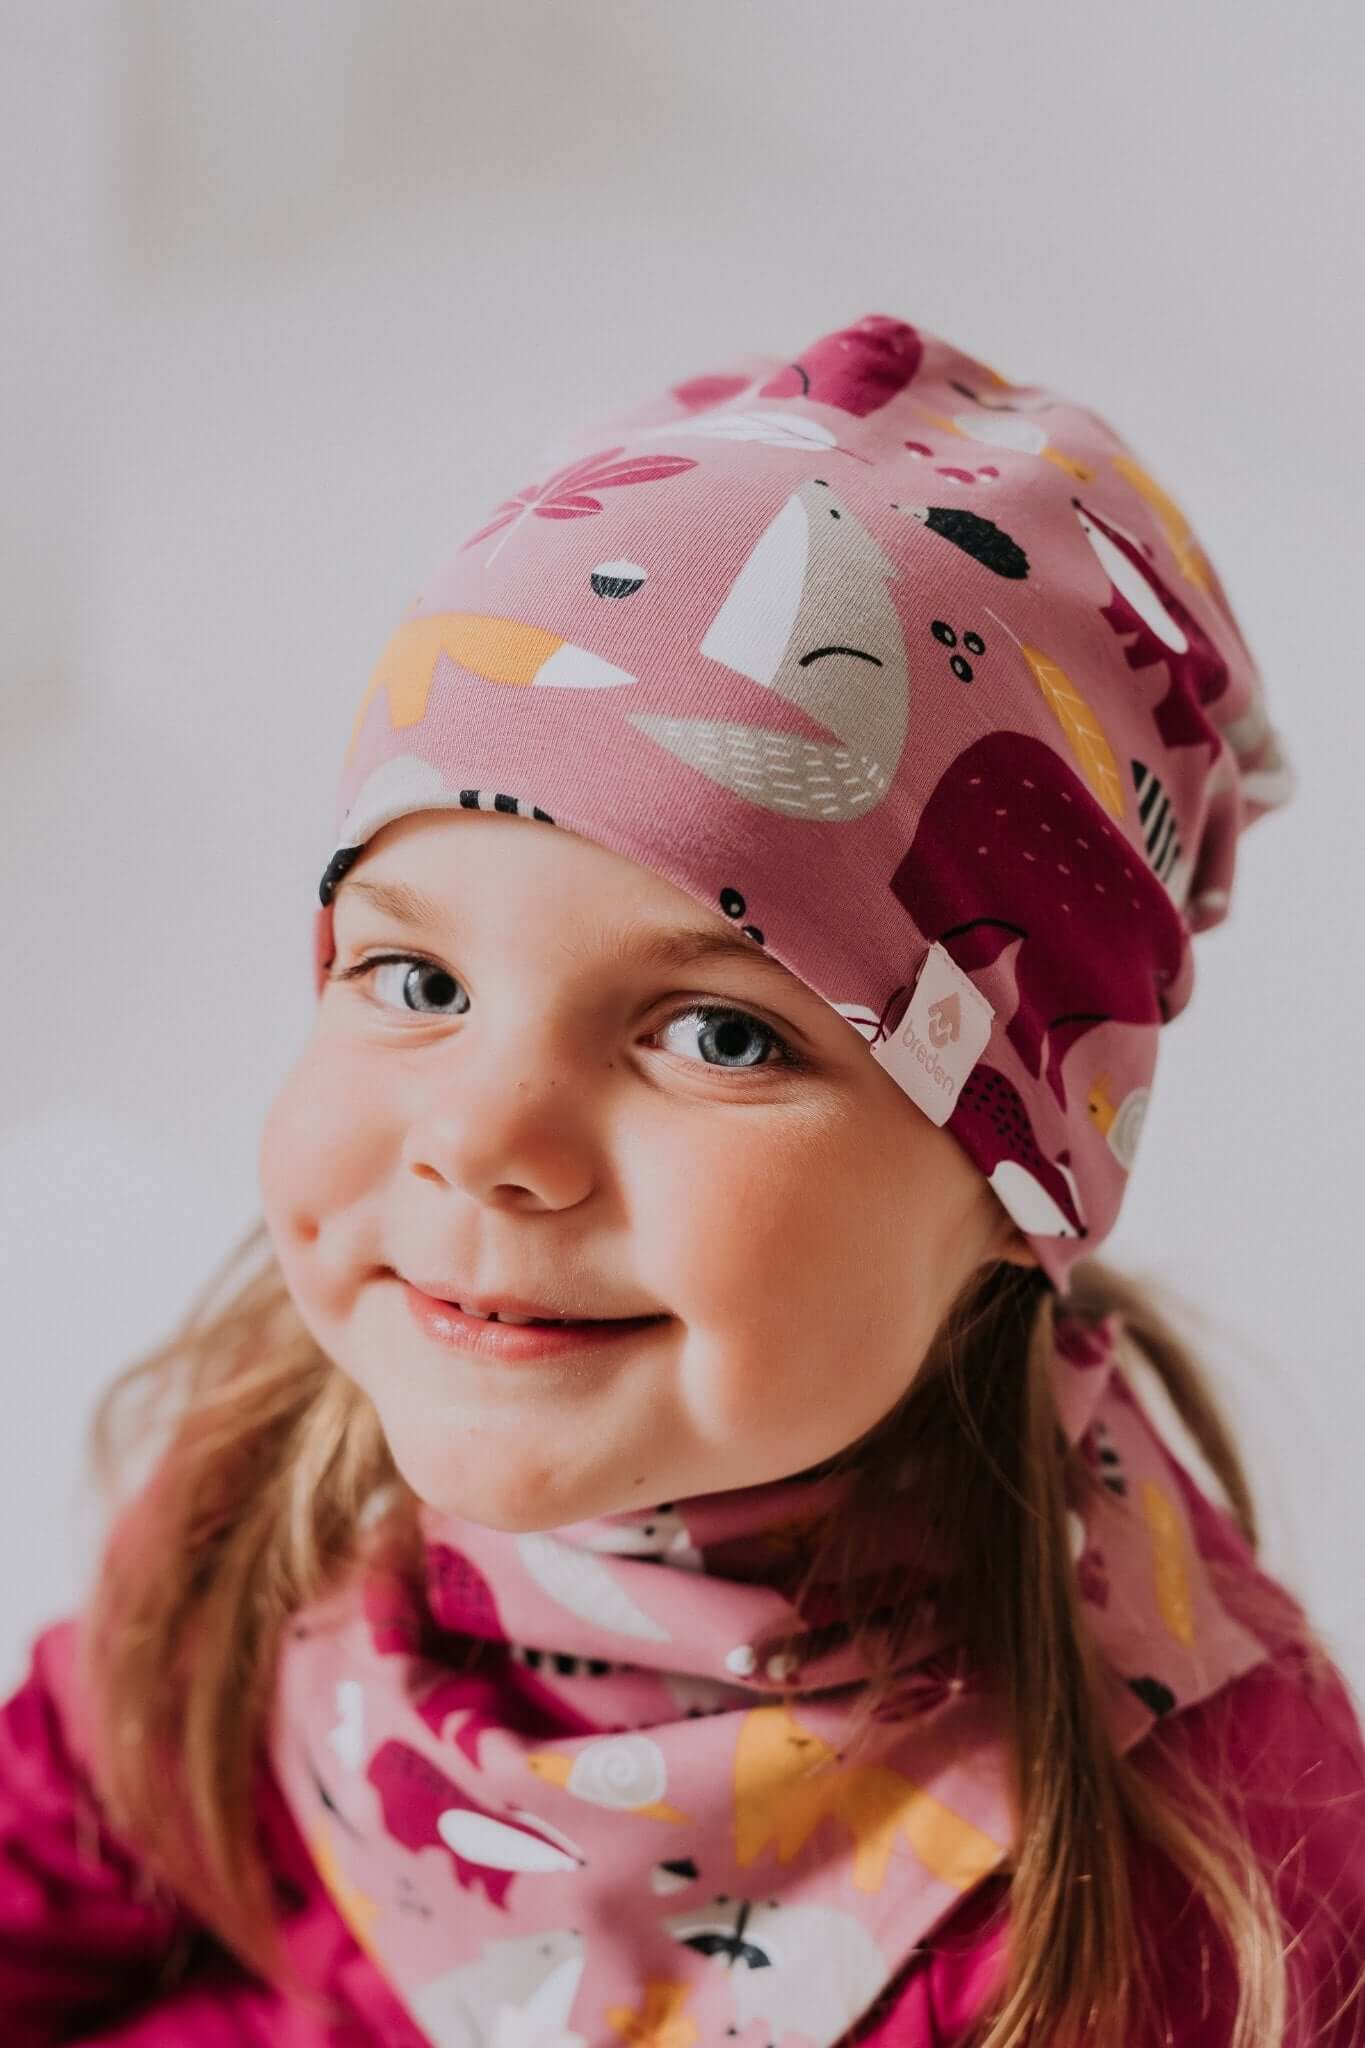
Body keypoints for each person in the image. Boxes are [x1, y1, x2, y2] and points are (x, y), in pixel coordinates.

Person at [2, 312, 1361, 2048]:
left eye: (716, 1035)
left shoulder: (1185, 1891)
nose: (484, 1139)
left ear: (1025, 1173)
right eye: (417, 983)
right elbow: (66, 1843)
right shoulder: (289, 1464)